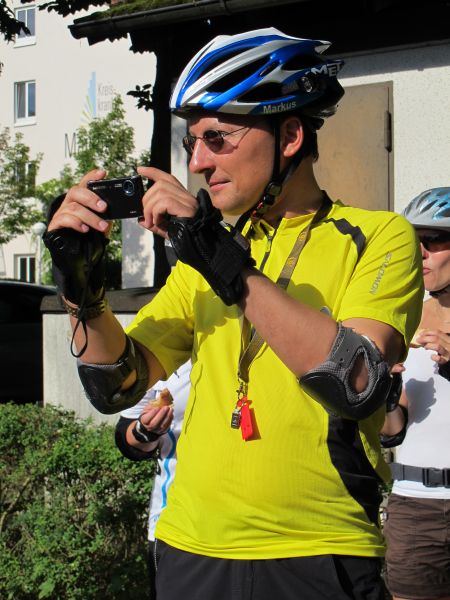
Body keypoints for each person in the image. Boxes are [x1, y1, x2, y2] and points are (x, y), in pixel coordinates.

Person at [43, 27, 424, 600]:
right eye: (192, 141)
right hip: (190, 547)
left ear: (289, 135)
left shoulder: (379, 236)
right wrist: (81, 292)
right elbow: (115, 383)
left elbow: (356, 383)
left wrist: (221, 259)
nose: (197, 162)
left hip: (319, 549)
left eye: (216, 138)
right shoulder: (206, 254)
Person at [381, 188, 450, 600]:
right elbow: (392, 431)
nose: (420, 253)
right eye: (414, 241)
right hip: (415, 507)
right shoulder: (404, 320)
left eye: (433, 240)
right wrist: (386, 395)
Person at [115, 360, 191, 600]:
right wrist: (146, 431)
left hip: (264, 527)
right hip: (177, 525)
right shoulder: (161, 349)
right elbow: (127, 438)